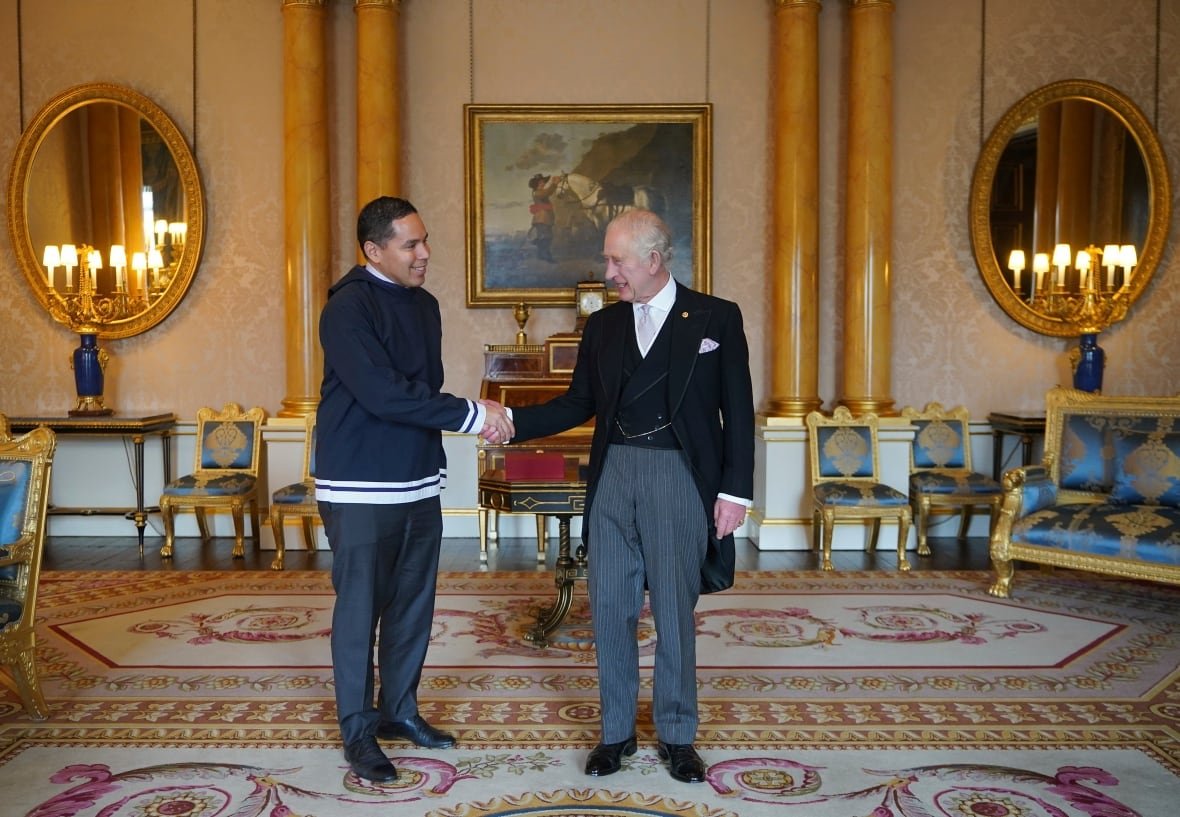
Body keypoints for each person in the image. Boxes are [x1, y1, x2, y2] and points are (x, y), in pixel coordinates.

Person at [508, 208, 754, 784]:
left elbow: (736, 411)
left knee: (673, 610)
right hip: (614, 475)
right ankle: (615, 732)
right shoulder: (604, 327)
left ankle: (677, 735)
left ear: (652, 259)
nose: (608, 270)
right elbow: (576, 405)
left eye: (616, 260)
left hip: (679, 478)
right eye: (608, 258)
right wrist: (509, 423)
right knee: (611, 609)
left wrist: (734, 492)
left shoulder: (716, 317)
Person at [315, 195, 514, 783]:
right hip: (358, 483)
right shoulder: (345, 309)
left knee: (412, 606)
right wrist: (475, 416)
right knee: (359, 612)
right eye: (411, 244)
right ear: (374, 250)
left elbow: (421, 391)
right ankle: (359, 730)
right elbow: (383, 393)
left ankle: (400, 710)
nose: (425, 253)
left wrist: (467, 423)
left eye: (425, 241)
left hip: (417, 478)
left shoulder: (425, 306)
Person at [527, 173, 560, 262]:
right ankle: (547, 256)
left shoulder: (540, 191)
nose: (543, 184)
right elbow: (547, 192)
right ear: (536, 184)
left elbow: (547, 192)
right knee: (546, 237)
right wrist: (554, 183)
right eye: (540, 182)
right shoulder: (537, 192)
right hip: (542, 219)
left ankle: (541, 255)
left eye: (543, 182)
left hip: (544, 219)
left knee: (544, 237)